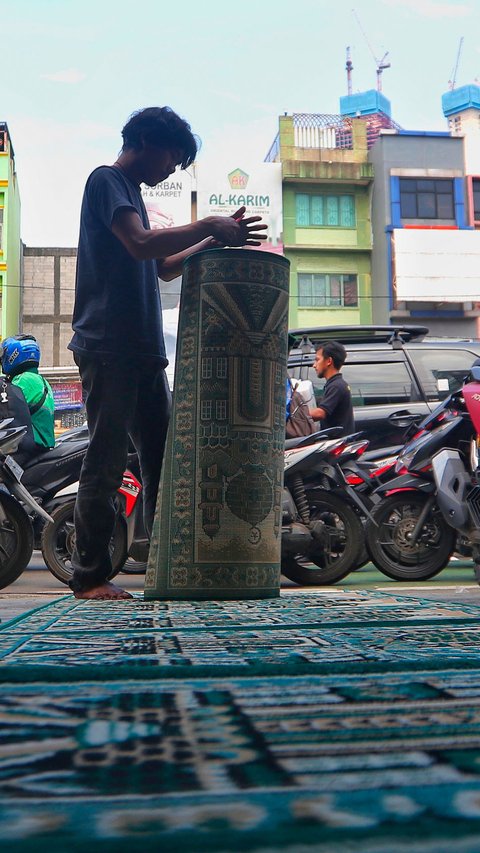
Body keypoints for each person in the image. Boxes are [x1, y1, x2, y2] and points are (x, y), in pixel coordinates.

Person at [68, 105, 267, 601]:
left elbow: (162, 267)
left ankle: (162, 564)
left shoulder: (132, 194)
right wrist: (208, 224)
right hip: (109, 346)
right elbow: (140, 245)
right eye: (172, 159)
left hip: (142, 352)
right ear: (145, 142)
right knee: (108, 458)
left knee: (162, 460)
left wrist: (216, 241)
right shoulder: (107, 181)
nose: (171, 171)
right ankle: (89, 576)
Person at [0, 335, 55, 456]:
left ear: (13, 355)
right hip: (41, 447)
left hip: (29, 448)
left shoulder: (22, 380)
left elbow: (7, 409)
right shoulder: (38, 379)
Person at [310, 340, 354, 435]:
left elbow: (320, 413)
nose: (314, 365)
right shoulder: (336, 384)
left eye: (317, 360)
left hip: (337, 444)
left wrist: (295, 414)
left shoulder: (336, 386)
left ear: (329, 361)